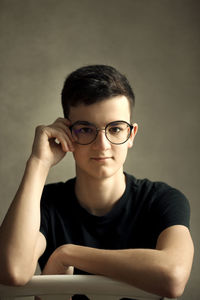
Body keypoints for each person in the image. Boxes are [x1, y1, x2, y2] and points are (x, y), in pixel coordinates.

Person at [0, 65, 194, 299]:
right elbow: (12, 271)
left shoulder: (161, 199)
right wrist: (38, 162)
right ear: (68, 133)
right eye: (85, 129)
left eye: (115, 129)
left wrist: (67, 254)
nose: (102, 144)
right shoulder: (46, 204)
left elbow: (173, 277)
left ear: (131, 135)